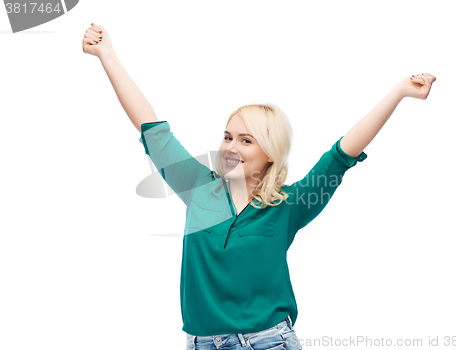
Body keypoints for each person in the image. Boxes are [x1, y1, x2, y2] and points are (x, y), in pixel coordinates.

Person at [82, 23, 436, 350]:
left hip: (269, 342)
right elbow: (152, 128)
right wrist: (107, 55)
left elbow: (342, 153)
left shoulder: (290, 205)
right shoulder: (198, 189)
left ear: (269, 153)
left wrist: (400, 92)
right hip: (201, 343)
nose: (230, 147)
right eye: (226, 137)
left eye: (246, 140)